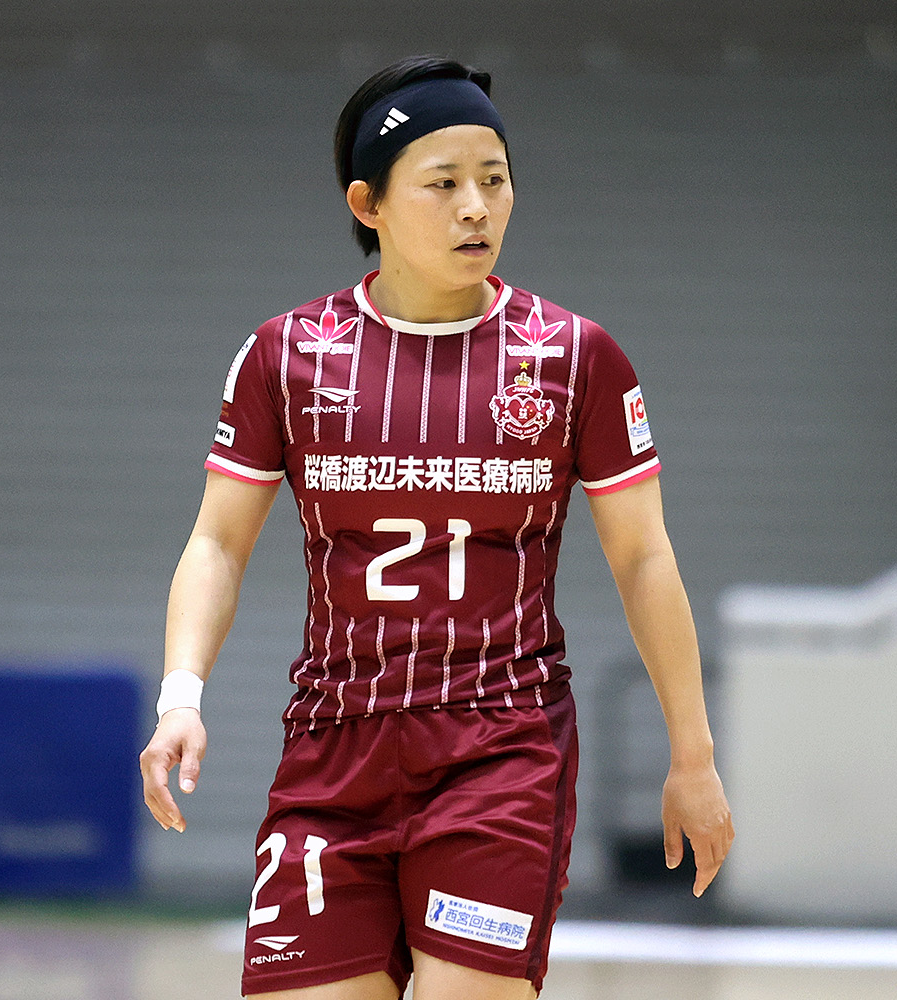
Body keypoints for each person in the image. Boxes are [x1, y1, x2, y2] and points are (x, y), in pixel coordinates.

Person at [140, 55, 733, 1000]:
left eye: (494, 180)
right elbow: (216, 542)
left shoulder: (573, 356)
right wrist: (181, 695)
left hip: (501, 751)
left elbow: (643, 558)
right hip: (333, 747)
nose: (476, 208)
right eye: (444, 183)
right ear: (368, 204)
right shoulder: (286, 356)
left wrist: (692, 757)